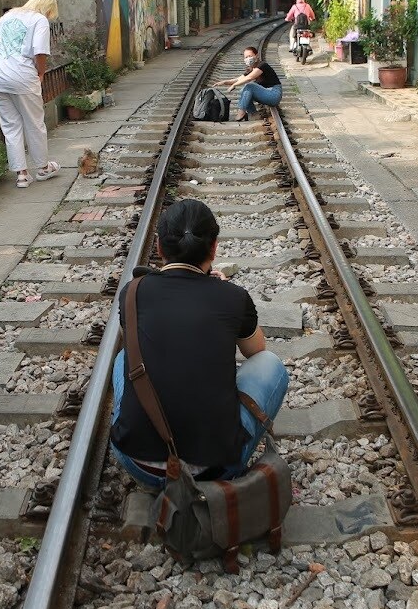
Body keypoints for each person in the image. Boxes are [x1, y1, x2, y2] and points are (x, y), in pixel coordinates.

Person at [110, 199, 289, 492]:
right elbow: (256, 351)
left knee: (124, 359)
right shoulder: (233, 297)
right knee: (271, 364)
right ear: (214, 247)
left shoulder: (132, 291)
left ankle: (151, 467)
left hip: (136, 461)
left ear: (158, 247)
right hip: (215, 469)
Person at [0, 0, 61, 188]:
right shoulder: (39, 20)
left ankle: (22, 175)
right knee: (34, 123)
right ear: (48, 7)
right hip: (23, 77)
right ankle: (43, 168)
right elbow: (40, 52)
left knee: (10, 125)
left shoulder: (10, 15)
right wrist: (41, 73)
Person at [214, 46, 282, 121]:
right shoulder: (251, 69)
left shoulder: (262, 65)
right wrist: (224, 82)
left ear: (256, 56)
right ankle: (253, 114)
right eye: (246, 57)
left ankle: (241, 112)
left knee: (249, 86)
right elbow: (238, 79)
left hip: (274, 94)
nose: (248, 58)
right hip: (266, 93)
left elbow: (249, 78)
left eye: (250, 56)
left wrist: (234, 85)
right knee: (243, 90)